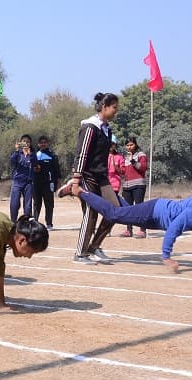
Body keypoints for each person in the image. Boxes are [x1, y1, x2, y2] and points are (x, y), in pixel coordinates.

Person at [61, 174, 192, 273]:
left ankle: (114, 197)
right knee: (114, 215)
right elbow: (175, 227)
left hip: (158, 219)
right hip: (155, 212)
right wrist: (166, 256)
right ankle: (78, 190)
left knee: (123, 213)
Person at [61, 92, 121, 265]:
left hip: (101, 176)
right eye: (114, 108)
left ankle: (94, 247)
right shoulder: (89, 127)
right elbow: (81, 154)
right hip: (86, 175)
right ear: (104, 107)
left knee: (115, 210)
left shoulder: (107, 129)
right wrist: (77, 180)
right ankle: (80, 254)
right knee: (91, 212)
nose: (116, 111)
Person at [120, 136, 148, 238]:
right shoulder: (125, 157)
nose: (129, 147)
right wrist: (117, 169)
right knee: (128, 208)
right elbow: (124, 172)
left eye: (131, 144)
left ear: (135, 144)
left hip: (138, 185)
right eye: (127, 145)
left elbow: (143, 168)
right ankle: (129, 230)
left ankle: (142, 230)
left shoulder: (141, 154)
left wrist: (133, 161)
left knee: (139, 207)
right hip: (127, 186)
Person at [32, 135, 62, 230]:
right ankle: (35, 223)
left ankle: (49, 224)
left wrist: (58, 183)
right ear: (38, 144)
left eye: (45, 142)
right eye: (41, 142)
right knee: (37, 203)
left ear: (48, 143)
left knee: (49, 204)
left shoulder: (52, 155)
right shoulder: (35, 155)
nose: (43, 144)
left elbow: (57, 171)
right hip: (36, 184)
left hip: (49, 184)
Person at [9, 135, 36, 222]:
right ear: (21, 143)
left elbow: (35, 163)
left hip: (28, 183)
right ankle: (13, 221)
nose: (26, 143)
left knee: (28, 205)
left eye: (28, 142)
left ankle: (27, 222)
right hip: (17, 182)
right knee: (15, 203)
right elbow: (12, 161)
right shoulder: (17, 154)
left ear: (30, 143)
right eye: (24, 141)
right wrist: (17, 150)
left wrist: (29, 154)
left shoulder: (32, 154)